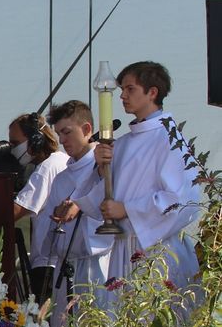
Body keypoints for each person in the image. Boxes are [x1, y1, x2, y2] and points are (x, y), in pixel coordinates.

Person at [75, 60, 200, 293]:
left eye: (130, 89)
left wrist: (127, 209)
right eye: (121, 89)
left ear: (152, 92)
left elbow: (184, 200)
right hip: (124, 250)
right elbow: (99, 201)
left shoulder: (170, 139)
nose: (122, 95)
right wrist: (102, 170)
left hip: (160, 252)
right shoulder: (121, 144)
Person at [42, 100, 111, 327]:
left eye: (67, 132)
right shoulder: (61, 178)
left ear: (87, 129)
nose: (62, 140)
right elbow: (51, 226)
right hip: (67, 262)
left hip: (98, 262)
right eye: (59, 133)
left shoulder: (103, 167)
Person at [2, 113, 69, 302]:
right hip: (58, 260)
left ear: (36, 141)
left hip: (48, 264)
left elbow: (14, 212)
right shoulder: (61, 160)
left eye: (15, 144)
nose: (13, 150)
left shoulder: (46, 168)